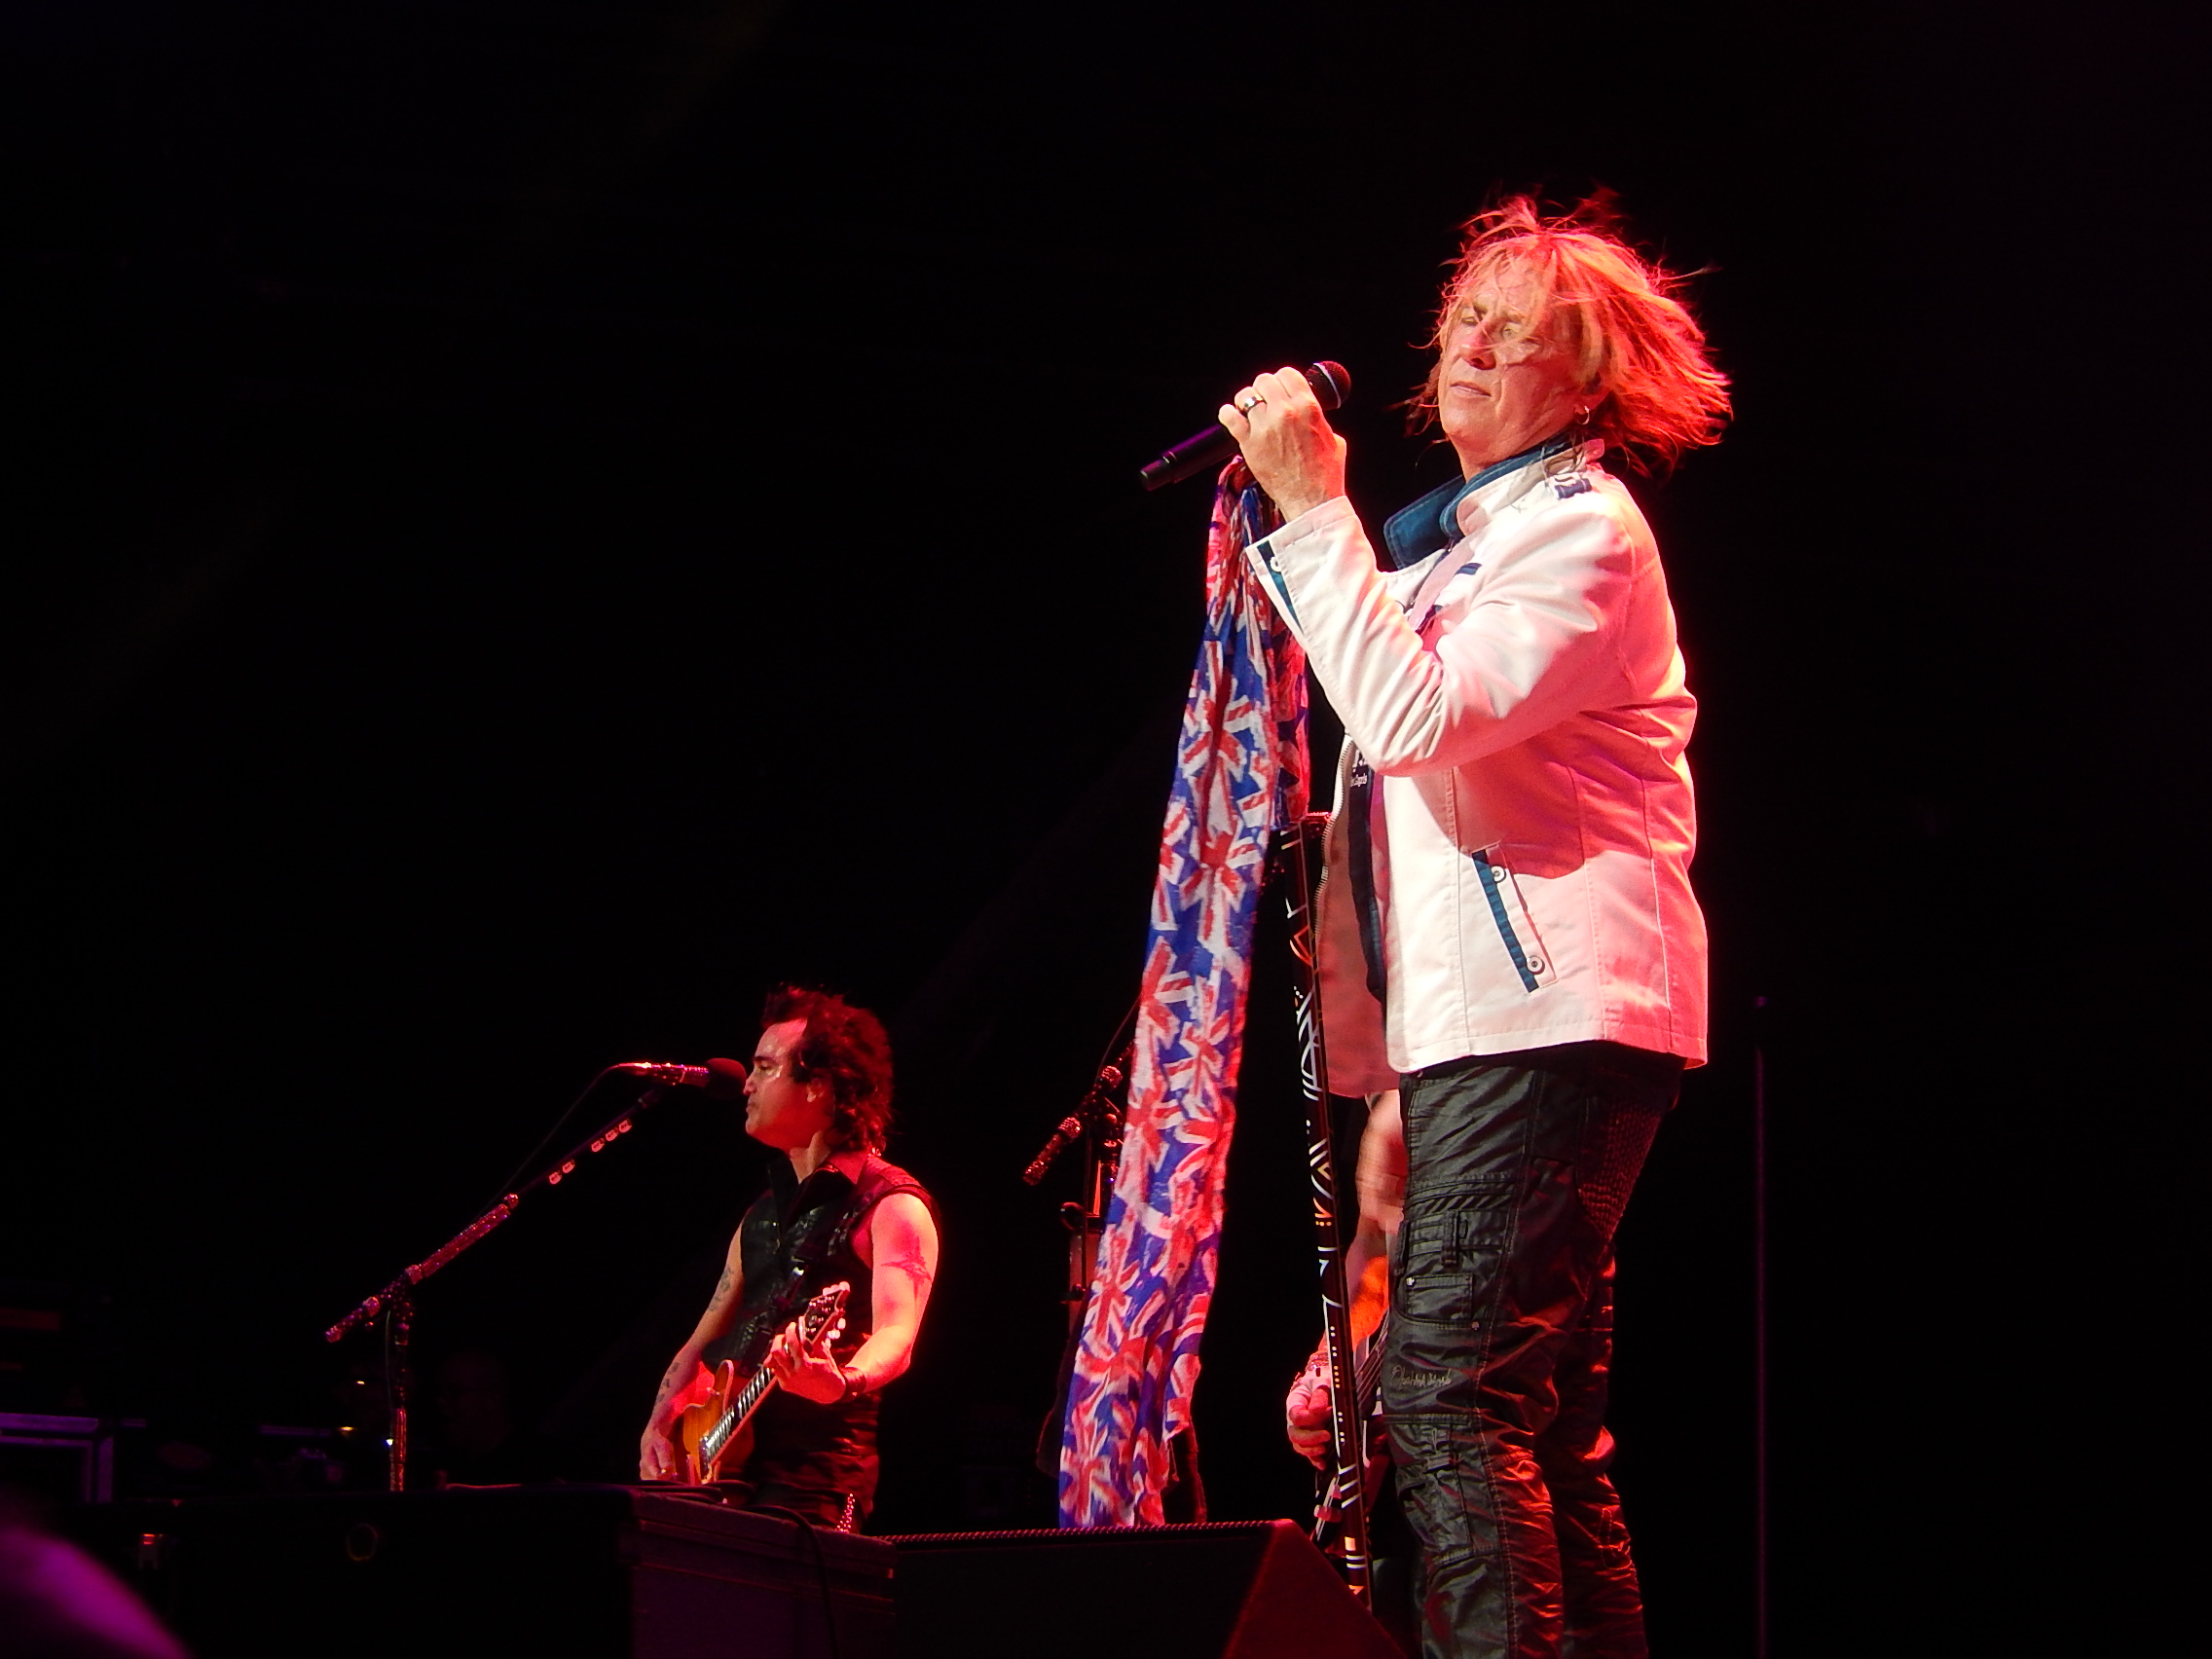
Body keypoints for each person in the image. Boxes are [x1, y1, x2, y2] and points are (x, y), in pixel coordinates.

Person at [1225, 197, 1730, 1659]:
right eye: (1465, 318)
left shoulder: (1582, 532)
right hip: (1492, 1028)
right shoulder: (1458, 550)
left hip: (1556, 1014)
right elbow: (1381, 769)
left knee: (1446, 1393)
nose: (1477, 344)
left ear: (1592, 383)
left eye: (1520, 331)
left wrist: (1313, 511)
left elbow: (1411, 717)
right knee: (1538, 1425)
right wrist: (1401, 1069)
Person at [637, 986, 939, 1531]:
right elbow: (707, 1334)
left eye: (764, 1067)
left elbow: (898, 1334)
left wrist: (842, 1380)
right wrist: (661, 1418)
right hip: (728, 1472)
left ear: (818, 1085)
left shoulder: (892, 1203)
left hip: (815, 1481)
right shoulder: (761, 1214)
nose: (747, 1084)